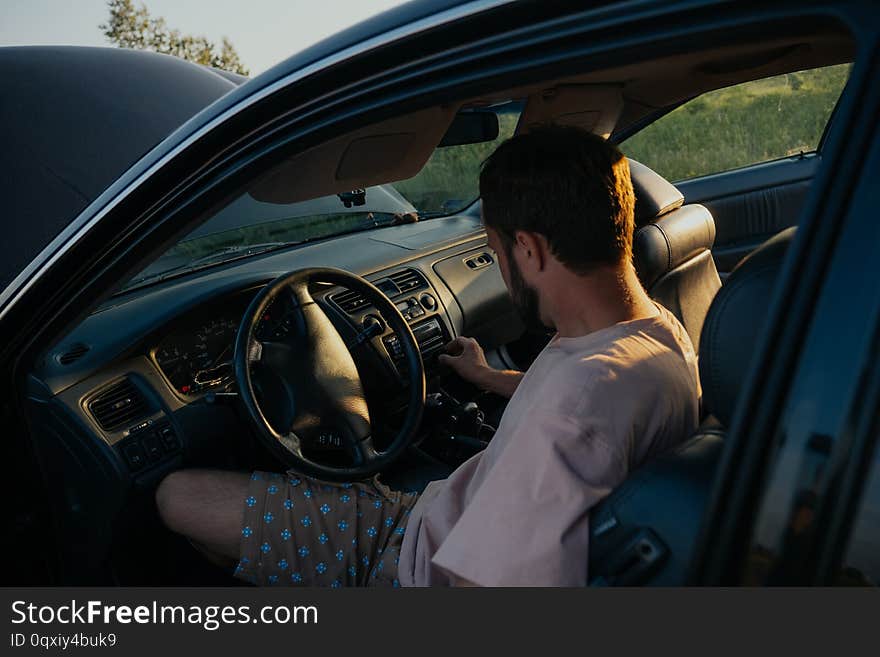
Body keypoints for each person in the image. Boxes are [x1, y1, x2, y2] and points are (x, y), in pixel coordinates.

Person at [155, 125, 700, 587]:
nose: (501, 269)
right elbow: (578, 410)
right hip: (444, 515)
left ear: (529, 249)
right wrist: (489, 377)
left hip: (406, 558)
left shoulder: (572, 411)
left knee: (177, 497)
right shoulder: (652, 332)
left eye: (494, 251)